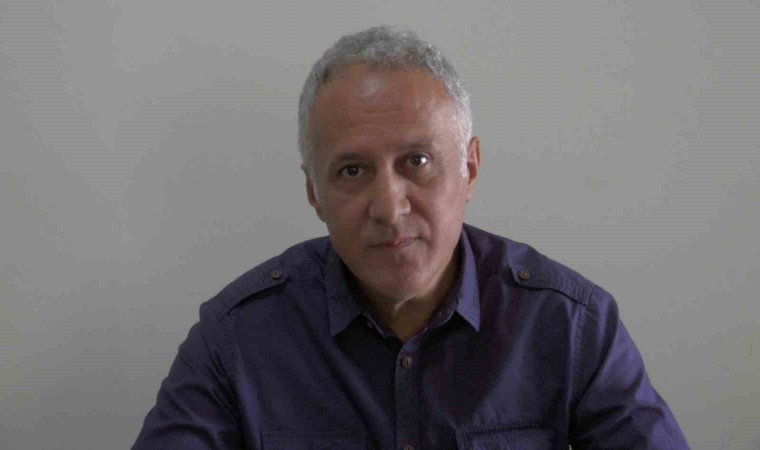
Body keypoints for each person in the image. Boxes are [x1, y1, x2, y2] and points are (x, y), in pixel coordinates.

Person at [132, 26, 689, 449]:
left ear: (469, 168)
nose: (389, 208)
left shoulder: (571, 326)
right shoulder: (237, 338)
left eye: (417, 161)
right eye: (352, 170)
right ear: (312, 193)